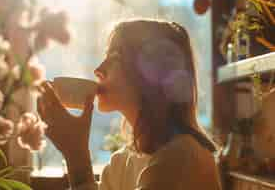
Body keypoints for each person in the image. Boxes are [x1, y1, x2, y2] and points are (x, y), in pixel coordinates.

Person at [36, 19, 222, 190]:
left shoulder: (180, 159)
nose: (98, 70)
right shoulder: (122, 162)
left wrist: (76, 155)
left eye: (114, 57)